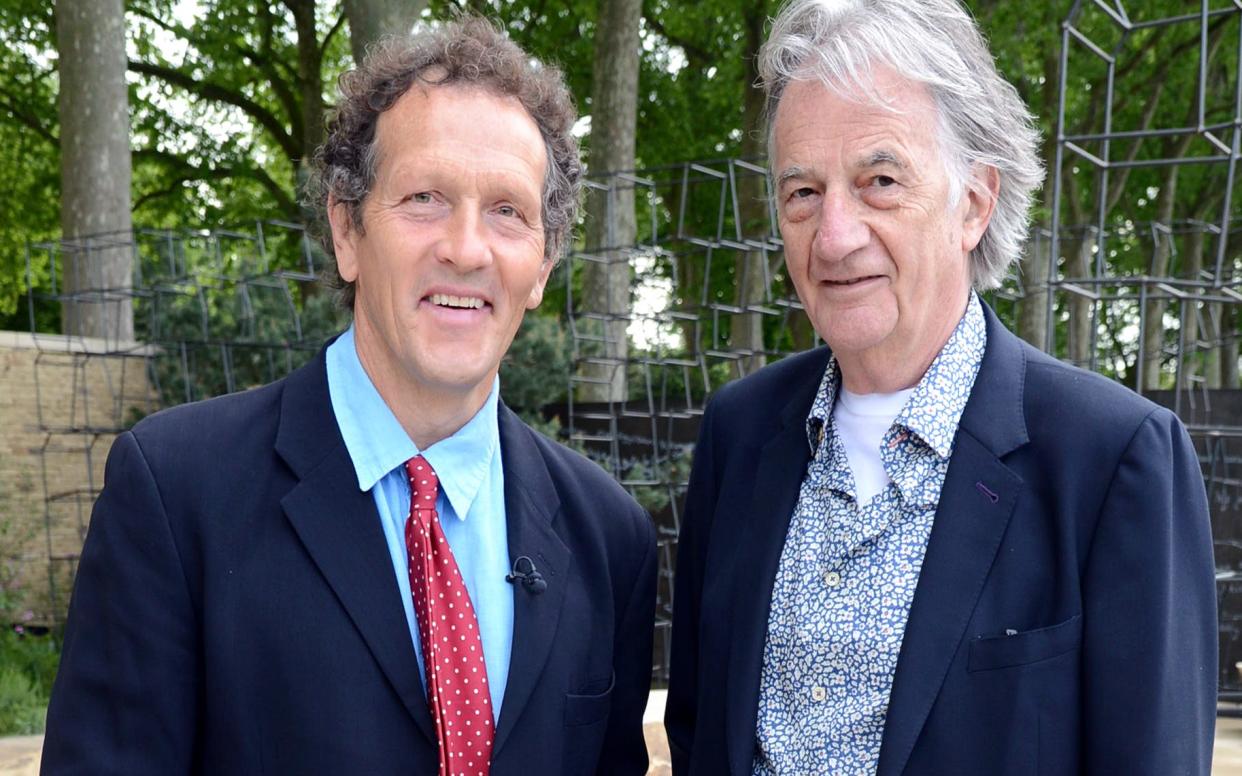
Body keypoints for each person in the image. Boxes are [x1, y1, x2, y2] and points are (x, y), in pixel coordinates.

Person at [42, 17, 656, 776]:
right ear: (346, 230)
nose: (466, 248)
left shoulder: (609, 539)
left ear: (542, 263)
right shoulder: (175, 496)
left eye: (507, 211)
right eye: (426, 197)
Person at [664, 0, 1216, 774]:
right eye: (803, 193)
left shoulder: (1112, 460)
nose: (835, 235)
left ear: (975, 202)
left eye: (879, 180)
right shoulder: (740, 433)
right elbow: (697, 733)